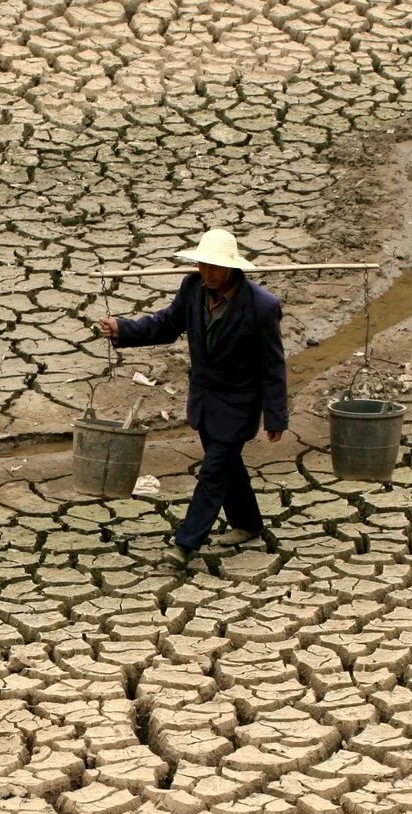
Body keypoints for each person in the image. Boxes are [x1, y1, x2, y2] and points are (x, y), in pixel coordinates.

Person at [98, 228, 287, 566]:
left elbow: (272, 366)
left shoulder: (261, 306)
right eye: (202, 266)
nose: (207, 274)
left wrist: (276, 416)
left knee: (213, 471)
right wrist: (124, 329)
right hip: (204, 400)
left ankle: (186, 544)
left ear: (232, 268)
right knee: (227, 465)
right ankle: (248, 523)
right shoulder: (192, 289)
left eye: (214, 268)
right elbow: (166, 325)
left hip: (239, 406)